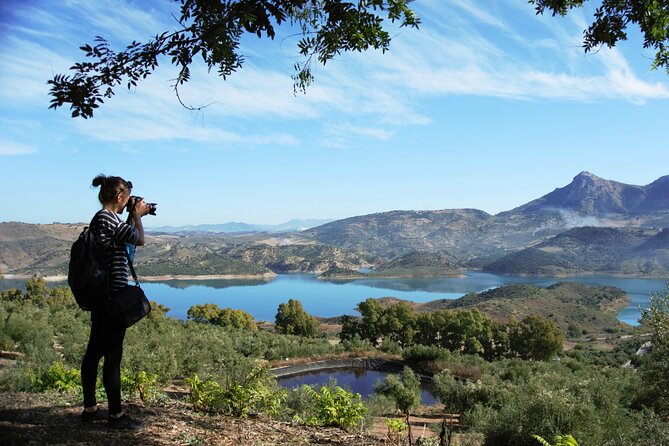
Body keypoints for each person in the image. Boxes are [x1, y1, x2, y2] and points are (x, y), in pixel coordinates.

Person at [80, 174, 150, 430]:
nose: (129, 203)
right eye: (128, 198)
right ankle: (116, 416)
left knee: (94, 353)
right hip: (112, 299)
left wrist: (132, 215)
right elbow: (139, 240)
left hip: (104, 298)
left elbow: (127, 244)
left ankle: (90, 409)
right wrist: (139, 215)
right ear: (120, 196)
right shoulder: (107, 219)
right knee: (112, 357)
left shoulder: (104, 220)